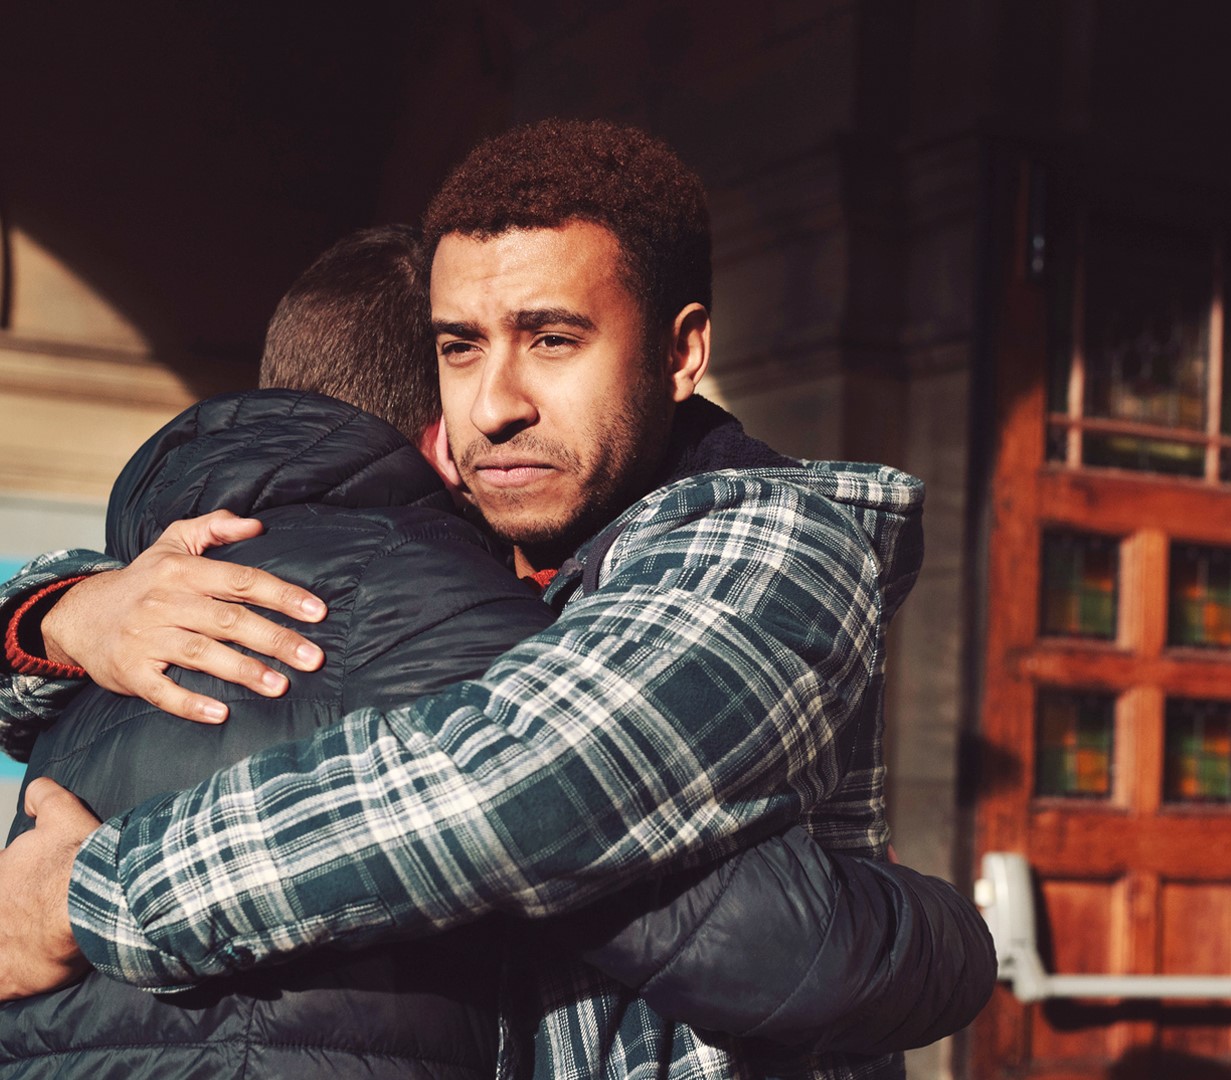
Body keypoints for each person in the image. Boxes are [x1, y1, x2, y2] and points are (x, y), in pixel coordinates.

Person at [0, 122, 991, 1078]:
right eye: (460, 347)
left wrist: (90, 896)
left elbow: (518, 783)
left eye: (552, 340)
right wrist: (63, 614)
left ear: (682, 352)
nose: (492, 406)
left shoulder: (771, 537)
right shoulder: (462, 558)